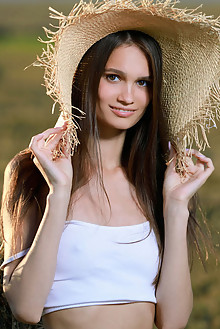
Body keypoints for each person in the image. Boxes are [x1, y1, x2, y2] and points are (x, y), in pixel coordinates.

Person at [0, 1, 219, 329]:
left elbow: (173, 321)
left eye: (142, 82)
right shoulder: (33, 174)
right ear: (85, 79)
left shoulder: (155, 181)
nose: (128, 96)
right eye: (114, 77)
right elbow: (26, 308)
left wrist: (176, 206)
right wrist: (58, 192)